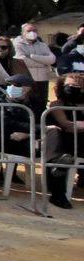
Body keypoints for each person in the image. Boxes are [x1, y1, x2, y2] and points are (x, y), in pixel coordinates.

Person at [43, 72, 83, 209]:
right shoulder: (57, 104)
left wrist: (78, 125)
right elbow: (67, 125)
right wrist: (77, 125)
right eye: (69, 85)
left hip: (80, 142)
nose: (73, 88)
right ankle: (58, 195)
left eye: (77, 86)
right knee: (60, 160)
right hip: (62, 144)